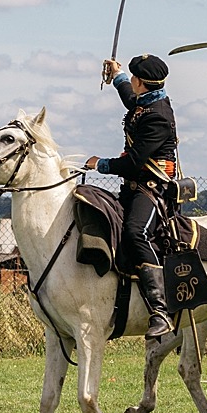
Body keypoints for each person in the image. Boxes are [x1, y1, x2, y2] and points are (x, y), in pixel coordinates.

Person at [85, 53, 178, 339]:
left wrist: (100, 164)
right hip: (134, 185)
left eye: (133, 79)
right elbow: (131, 99)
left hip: (152, 187)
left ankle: (160, 311)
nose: (132, 84)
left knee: (137, 232)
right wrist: (118, 76)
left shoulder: (158, 117)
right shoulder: (148, 100)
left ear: (142, 82)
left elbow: (134, 162)